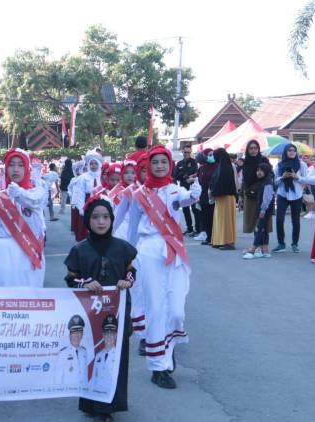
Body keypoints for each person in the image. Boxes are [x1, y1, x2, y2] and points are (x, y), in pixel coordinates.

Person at [127, 145, 200, 389]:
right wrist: (127, 259)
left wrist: (195, 192)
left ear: (170, 164)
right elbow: (131, 231)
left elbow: (186, 198)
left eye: (163, 161)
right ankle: (159, 365)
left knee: (176, 309)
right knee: (156, 307)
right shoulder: (139, 195)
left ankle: (167, 346)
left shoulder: (174, 190)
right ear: (148, 166)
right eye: (155, 162)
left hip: (174, 249)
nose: (159, 165)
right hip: (147, 251)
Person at [65, 196, 136, 421]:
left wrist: (128, 281)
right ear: (88, 221)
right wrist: (84, 283)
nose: (101, 221)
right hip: (90, 313)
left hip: (117, 312)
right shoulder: (80, 250)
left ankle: (108, 406)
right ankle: (90, 402)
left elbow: (131, 271)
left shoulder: (123, 247)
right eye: (95, 217)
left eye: (106, 217)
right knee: (91, 356)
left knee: (115, 357)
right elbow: (70, 278)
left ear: (112, 219)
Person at [0, 149, 46, 287]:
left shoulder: (38, 191)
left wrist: (19, 193)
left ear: (27, 168)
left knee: (31, 298)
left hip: (31, 251)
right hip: (4, 253)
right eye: (11, 165)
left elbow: (36, 201)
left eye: (20, 165)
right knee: (5, 297)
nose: (15, 169)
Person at [273, 143, 306, 253]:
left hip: (297, 194)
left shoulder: (301, 165)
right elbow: (274, 180)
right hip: (282, 193)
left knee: (295, 221)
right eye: (289, 150)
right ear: (285, 152)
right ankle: (281, 244)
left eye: (294, 150)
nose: (292, 152)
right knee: (279, 219)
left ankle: (295, 244)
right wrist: (282, 177)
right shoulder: (279, 165)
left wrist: (297, 177)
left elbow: (306, 180)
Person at [243, 163, 275, 259]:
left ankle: (253, 249)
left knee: (259, 229)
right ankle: (265, 251)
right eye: (258, 170)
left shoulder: (268, 183)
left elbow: (267, 198)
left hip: (265, 210)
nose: (259, 173)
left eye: (261, 170)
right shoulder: (264, 181)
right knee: (263, 229)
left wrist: (263, 210)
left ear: (266, 171)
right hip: (263, 209)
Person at [209, 148, 237, 250]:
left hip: (226, 197)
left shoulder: (226, 167)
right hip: (221, 197)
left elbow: (221, 182)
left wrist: (213, 192)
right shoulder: (221, 166)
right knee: (220, 220)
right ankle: (219, 240)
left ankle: (228, 242)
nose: (214, 157)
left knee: (226, 221)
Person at [240, 140, 270, 234]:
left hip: (262, 193)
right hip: (249, 193)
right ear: (247, 150)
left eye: (255, 148)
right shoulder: (246, 162)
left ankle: (261, 245)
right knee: (252, 220)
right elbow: (244, 180)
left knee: (262, 220)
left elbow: (269, 175)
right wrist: (241, 195)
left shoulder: (263, 160)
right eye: (251, 148)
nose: (253, 150)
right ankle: (256, 244)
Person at [54, 315, 88, 389]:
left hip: (82, 393)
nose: (76, 336)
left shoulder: (84, 352)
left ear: (82, 334)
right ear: (70, 336)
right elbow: (58, 381)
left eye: (79, 332)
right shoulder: (63, 354)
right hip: (69, 396)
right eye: (74, 333)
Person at [173, 145, 200, 236]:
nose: (187, 154)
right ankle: (189, 228)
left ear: (191, 153)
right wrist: (185, 175)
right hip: (183, 189)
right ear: (182, 152)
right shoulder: (179, 163)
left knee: (194, 209)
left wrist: (184, 174)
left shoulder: (194, 162)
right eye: (185, 152)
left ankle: (197, 229)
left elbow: (194, 172)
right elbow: (176, 175)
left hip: (192, 189)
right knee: (185, 209)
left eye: (188, 152)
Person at [195, 149, 217, 244]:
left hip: (213, 195)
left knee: (213, 217)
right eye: (209, 155)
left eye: (212, 154)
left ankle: (214, 238)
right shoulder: (202, 168)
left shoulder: (217, 166)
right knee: (205, 217)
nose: (211, 156)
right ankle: (208, 237)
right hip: (203, 195)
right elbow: (199, 180)